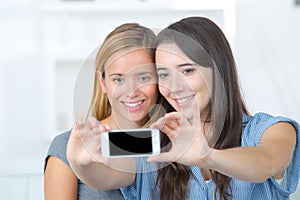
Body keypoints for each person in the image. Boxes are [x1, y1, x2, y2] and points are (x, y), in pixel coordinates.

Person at [67, 17, 300, 200]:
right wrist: (80, 163)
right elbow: (106, 177)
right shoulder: (152, 139)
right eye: (164, 75)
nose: (174, 87)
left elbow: (268, 162)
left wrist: (208, 156)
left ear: (218, 71)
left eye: (187, 71)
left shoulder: (272, 130)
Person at [44, 22, 167, 200]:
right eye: (118, 80)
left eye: (143, 77)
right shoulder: (67, 148)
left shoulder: (175, 145)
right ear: (103, 82)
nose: (132, 92)